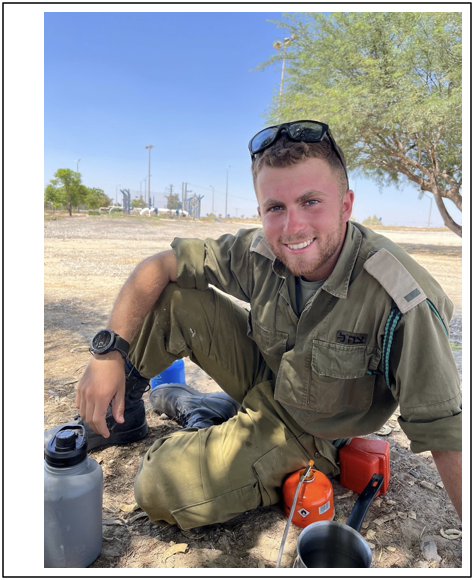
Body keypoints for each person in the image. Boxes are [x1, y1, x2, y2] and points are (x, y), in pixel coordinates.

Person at [45, 120, 462, 530]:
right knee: (174, 298)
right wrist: (107, 354)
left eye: (311, 202)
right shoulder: (261, 250)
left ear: (346, 205)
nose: (292, 227)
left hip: (313, 429)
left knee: (158, 485)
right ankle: (121, 418)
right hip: (270, 375)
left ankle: (218, 420)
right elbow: (159, 266)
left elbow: (447, 433)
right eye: (276, 208)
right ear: (261, 210)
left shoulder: (401, 298)